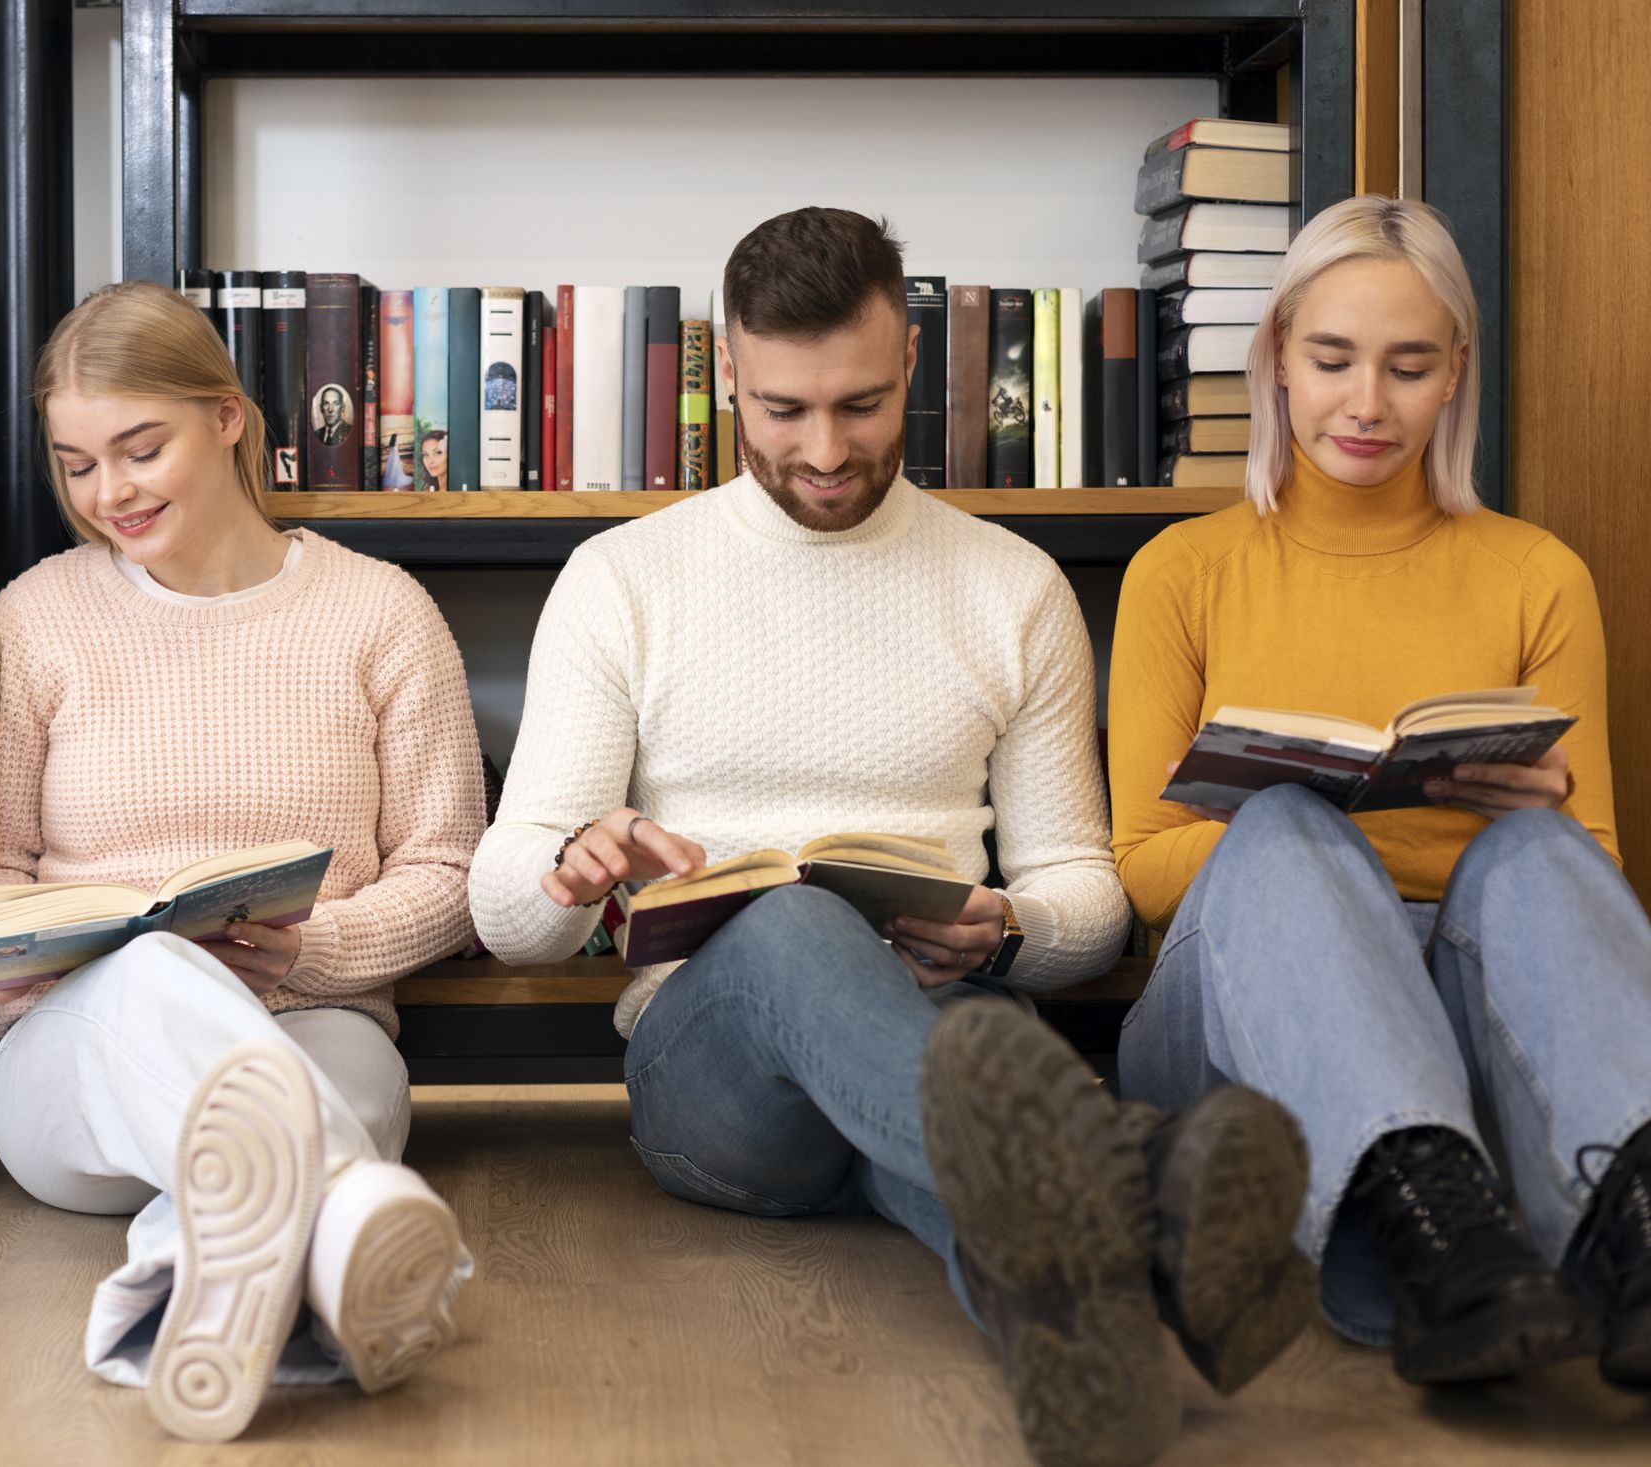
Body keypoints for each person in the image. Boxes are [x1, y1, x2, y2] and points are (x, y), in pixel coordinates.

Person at [470, 207, 1314, 1467]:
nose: (821, 450)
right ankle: (1136, 1169)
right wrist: (566, 869)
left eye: (860, 407)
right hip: (717, 1089)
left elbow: (1080, 892)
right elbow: (500, 914)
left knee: (985, 1133)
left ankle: (1085, 1353)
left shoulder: (1007, 588)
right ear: (730, 381)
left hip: (947, 1036)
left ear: (912, 365)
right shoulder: (624, 579)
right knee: (794, 914)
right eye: (782, 411)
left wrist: (1009, 930)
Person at [1109, 193, 1651, 1392]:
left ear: (1456, 371)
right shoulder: (1181, 573)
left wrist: (1530, 814)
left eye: (1408, 367)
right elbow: (1143, 868)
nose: (1367, 404)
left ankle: (1633, 1230)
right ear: (1278, 360)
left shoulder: (1535, 576)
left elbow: (1593, 876)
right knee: (1291, 828)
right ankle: (1439, 1239)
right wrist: (1321, 844)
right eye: (1333, 360)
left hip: (1454, 995)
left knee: (1543, 858)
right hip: (1232, 1010)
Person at [0, 281, 484, 1442]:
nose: (109, 494)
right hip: (72, 1056)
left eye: (141, 449)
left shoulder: (379, 615)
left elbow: (450, 876)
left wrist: (310, 945)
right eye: (77, 464)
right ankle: (349, 1230)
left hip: (316, 1018)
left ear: (228, 418)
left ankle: (178, 1303)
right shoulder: (37, 616)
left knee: (309, 1104)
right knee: (149, 975)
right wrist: (2, 930)